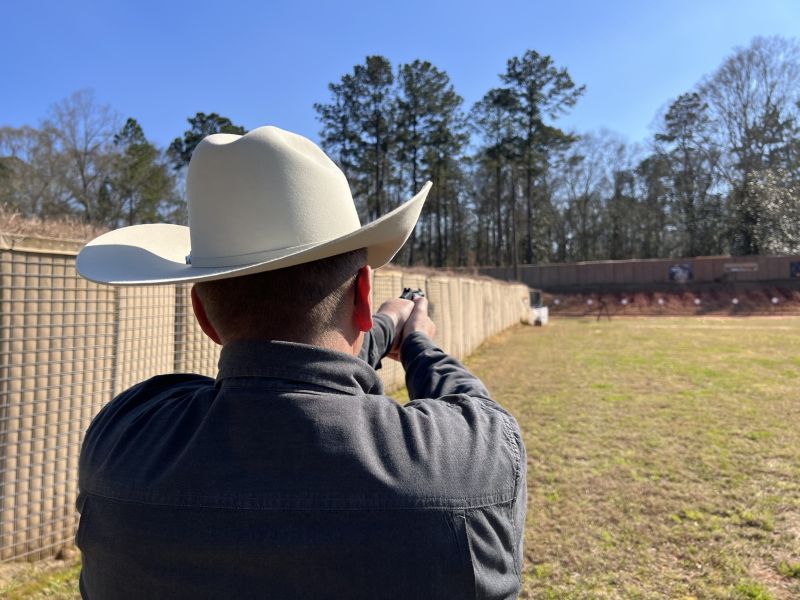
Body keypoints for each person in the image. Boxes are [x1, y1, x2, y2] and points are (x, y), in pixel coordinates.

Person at [75, 126, 527, 599]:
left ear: (204, 317)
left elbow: (280, 373)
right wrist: (414, 342)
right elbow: (467, 404)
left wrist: (380, 328)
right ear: (363, 293)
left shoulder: (124, 436)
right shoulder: (475, 456)